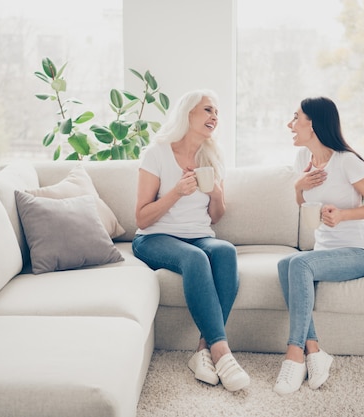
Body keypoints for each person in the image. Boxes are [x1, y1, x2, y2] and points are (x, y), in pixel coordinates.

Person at [132, 89, 250, 392]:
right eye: (208, 110)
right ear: (188, 114)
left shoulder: (212, 156)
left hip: (200, 236)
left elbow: (215, 217)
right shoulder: (156, 153)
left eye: (217, 113)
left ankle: (203, 350)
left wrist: (216, 194)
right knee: (195, 258)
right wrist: (176, 193)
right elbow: (142, 218)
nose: (215, 117)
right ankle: (222, 352)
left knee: (224, 251)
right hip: (155, 238)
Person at [274, 97, 364, 395]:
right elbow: (302, 203)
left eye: (295, 118)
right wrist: (299, 186)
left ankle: (294, 355)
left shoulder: (347, 161)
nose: (290, 124)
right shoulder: (303, 160)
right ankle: (315, 350)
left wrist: (343, 215)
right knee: (284, 263)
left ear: (312, 123)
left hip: (361, 252)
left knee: (298, 262)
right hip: (325, 252)